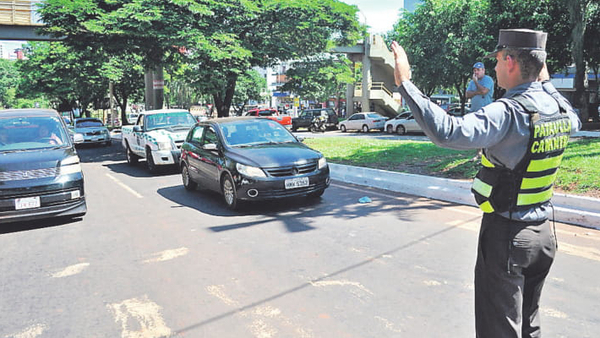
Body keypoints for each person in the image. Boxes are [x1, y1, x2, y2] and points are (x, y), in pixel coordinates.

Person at [391, 29, 581, 338]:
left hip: (508, 237)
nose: (492, 68)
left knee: (499, 330)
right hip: (543, 237)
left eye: (496, 61)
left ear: (510, 62)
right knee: (529, 325)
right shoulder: (560, 109)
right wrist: (540, 70)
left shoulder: (508, 112)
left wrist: (405, 83)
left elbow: (448, 132)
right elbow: (570, 114)